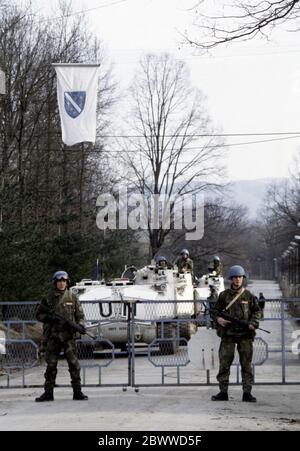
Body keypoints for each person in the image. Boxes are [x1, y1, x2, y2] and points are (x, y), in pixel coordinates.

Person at [35, 271, 88, 402]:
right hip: (53, 337)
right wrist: (50, 318)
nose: (61, 283)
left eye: (64, 281)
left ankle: (77, 392)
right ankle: (48, 393)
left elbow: (80, 316)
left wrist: (80, 326)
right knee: (51, 365)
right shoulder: (47, 298)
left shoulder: (73, 297)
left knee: (74, 365)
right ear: (55, 283)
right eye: (59, 281)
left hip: (68, 337)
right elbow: (38, 314)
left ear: (67, 282)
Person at [211, 265, 261, 403]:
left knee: (246, 364)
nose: (238, 280)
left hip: (245, 335)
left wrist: (253, 323)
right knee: (224, 363)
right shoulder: (224, 295)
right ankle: (223, 392)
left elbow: (257, 311)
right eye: (235, 277)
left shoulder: (248, 296)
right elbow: (215, 311)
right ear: (231, 279)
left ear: (243, 278)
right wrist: (219, 320)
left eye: (240, 277)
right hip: (228, 334)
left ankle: (247, 392)